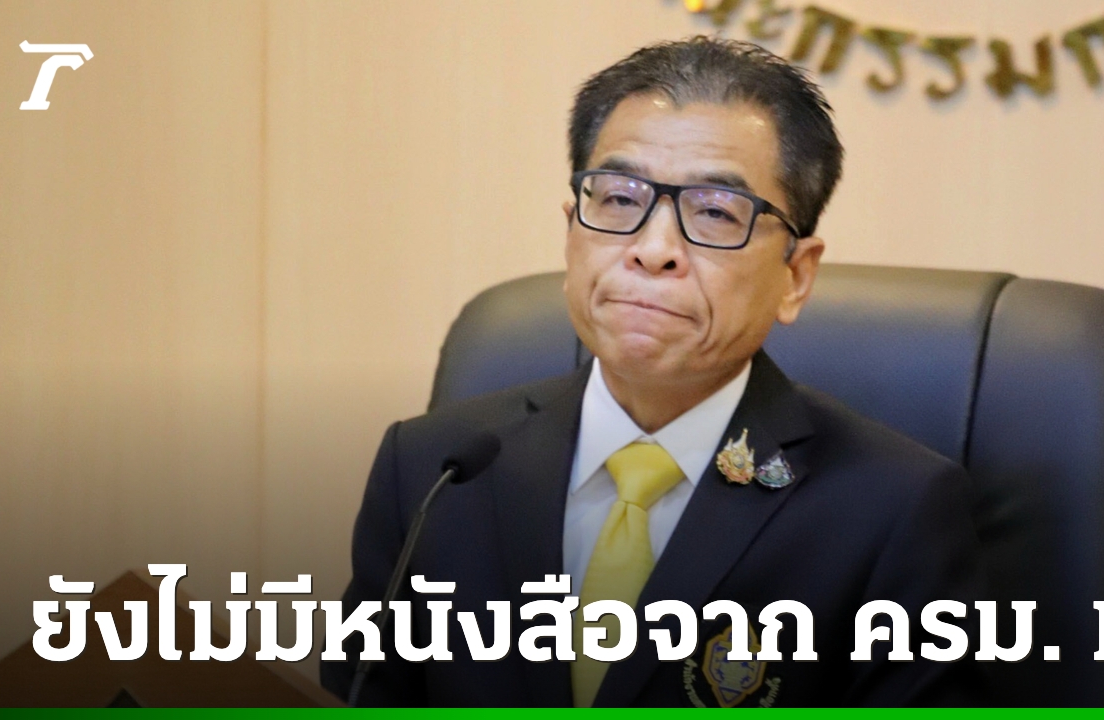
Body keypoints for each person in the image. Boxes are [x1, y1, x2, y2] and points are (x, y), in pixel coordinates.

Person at [321, 36, 985, 707]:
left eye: (716, 212)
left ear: (796, 276)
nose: (653, 249)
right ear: (571, 232)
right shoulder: (433, 472)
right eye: (618, 199)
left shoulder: (893, 510)